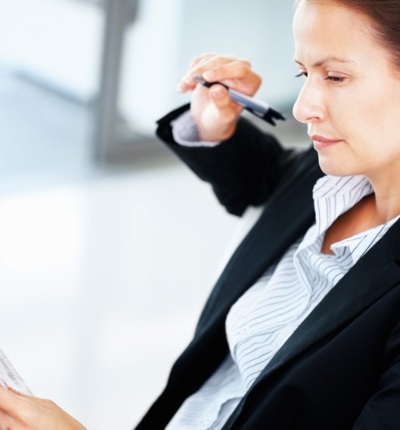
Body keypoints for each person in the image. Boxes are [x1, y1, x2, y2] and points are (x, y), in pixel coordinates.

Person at [1, 0, 400, 428]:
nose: (303, 108)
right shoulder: (335, 177)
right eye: (303, 74)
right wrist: (213, 126)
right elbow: (270, 177)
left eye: (335, 76)